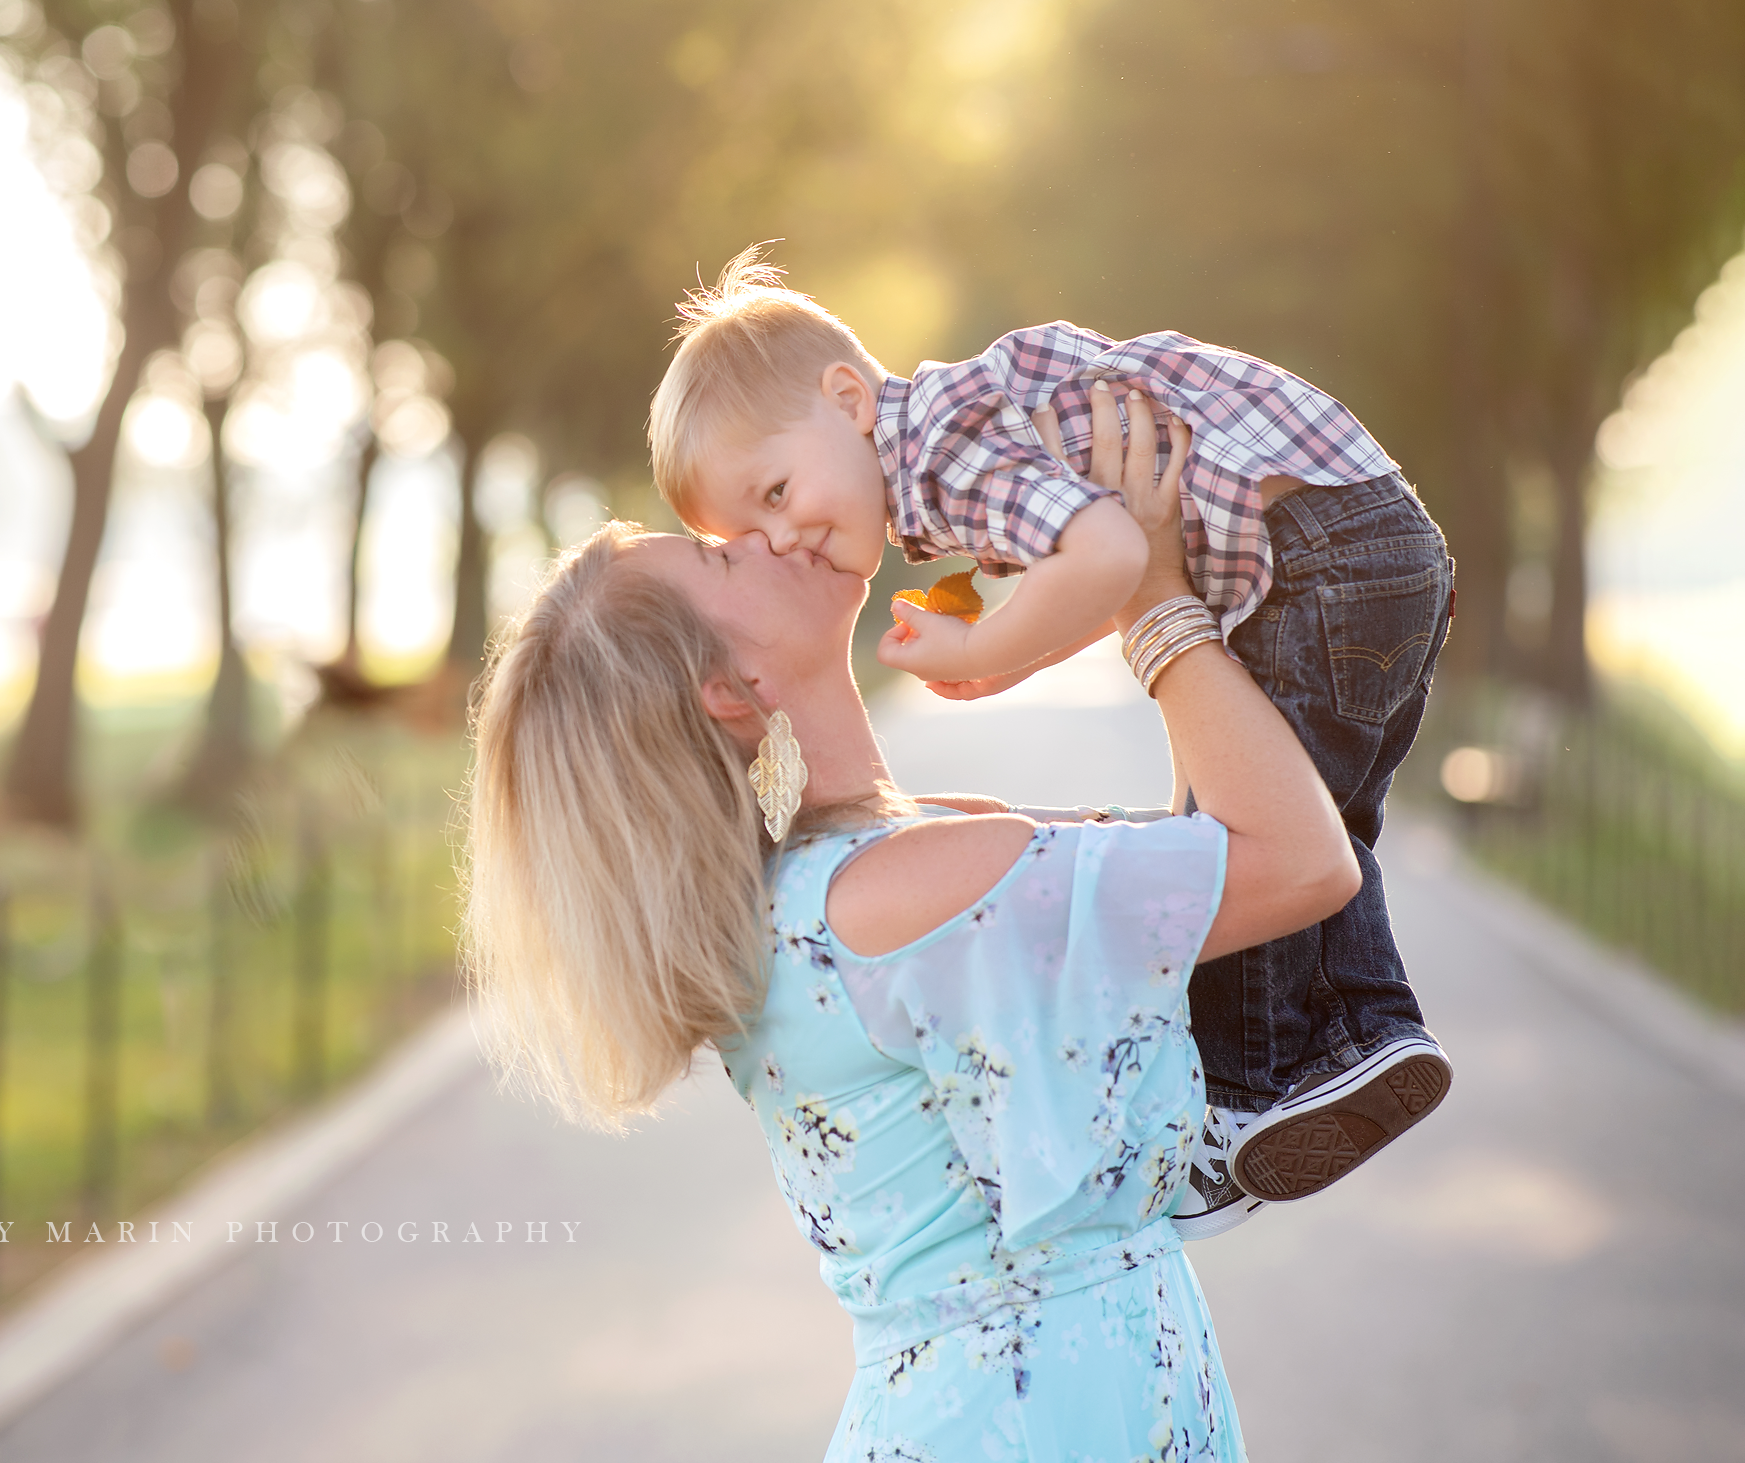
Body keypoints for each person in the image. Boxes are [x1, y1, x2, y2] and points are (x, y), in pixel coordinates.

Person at [464, 385, 1360, 1461]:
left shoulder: (888, 862)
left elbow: (1196, 863)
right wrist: (1145, 595)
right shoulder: (907, 892)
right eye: (716, 558)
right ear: (726, 686)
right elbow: (1297, 860)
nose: (756, 535)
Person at [646, 245, 1455, 1235]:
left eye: (774, 493)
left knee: (1225, 825)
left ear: (850, 397)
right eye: (750, 538)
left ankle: (1245, 1093)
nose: (784, 540)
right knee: (1320, 803)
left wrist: (995, 647)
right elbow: (1106, 564)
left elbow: (1113, 553)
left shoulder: (943, 452)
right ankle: (1370, 1030)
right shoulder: (959, 433)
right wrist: (1003, 656)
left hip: (1315, 551)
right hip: (1371, 537)